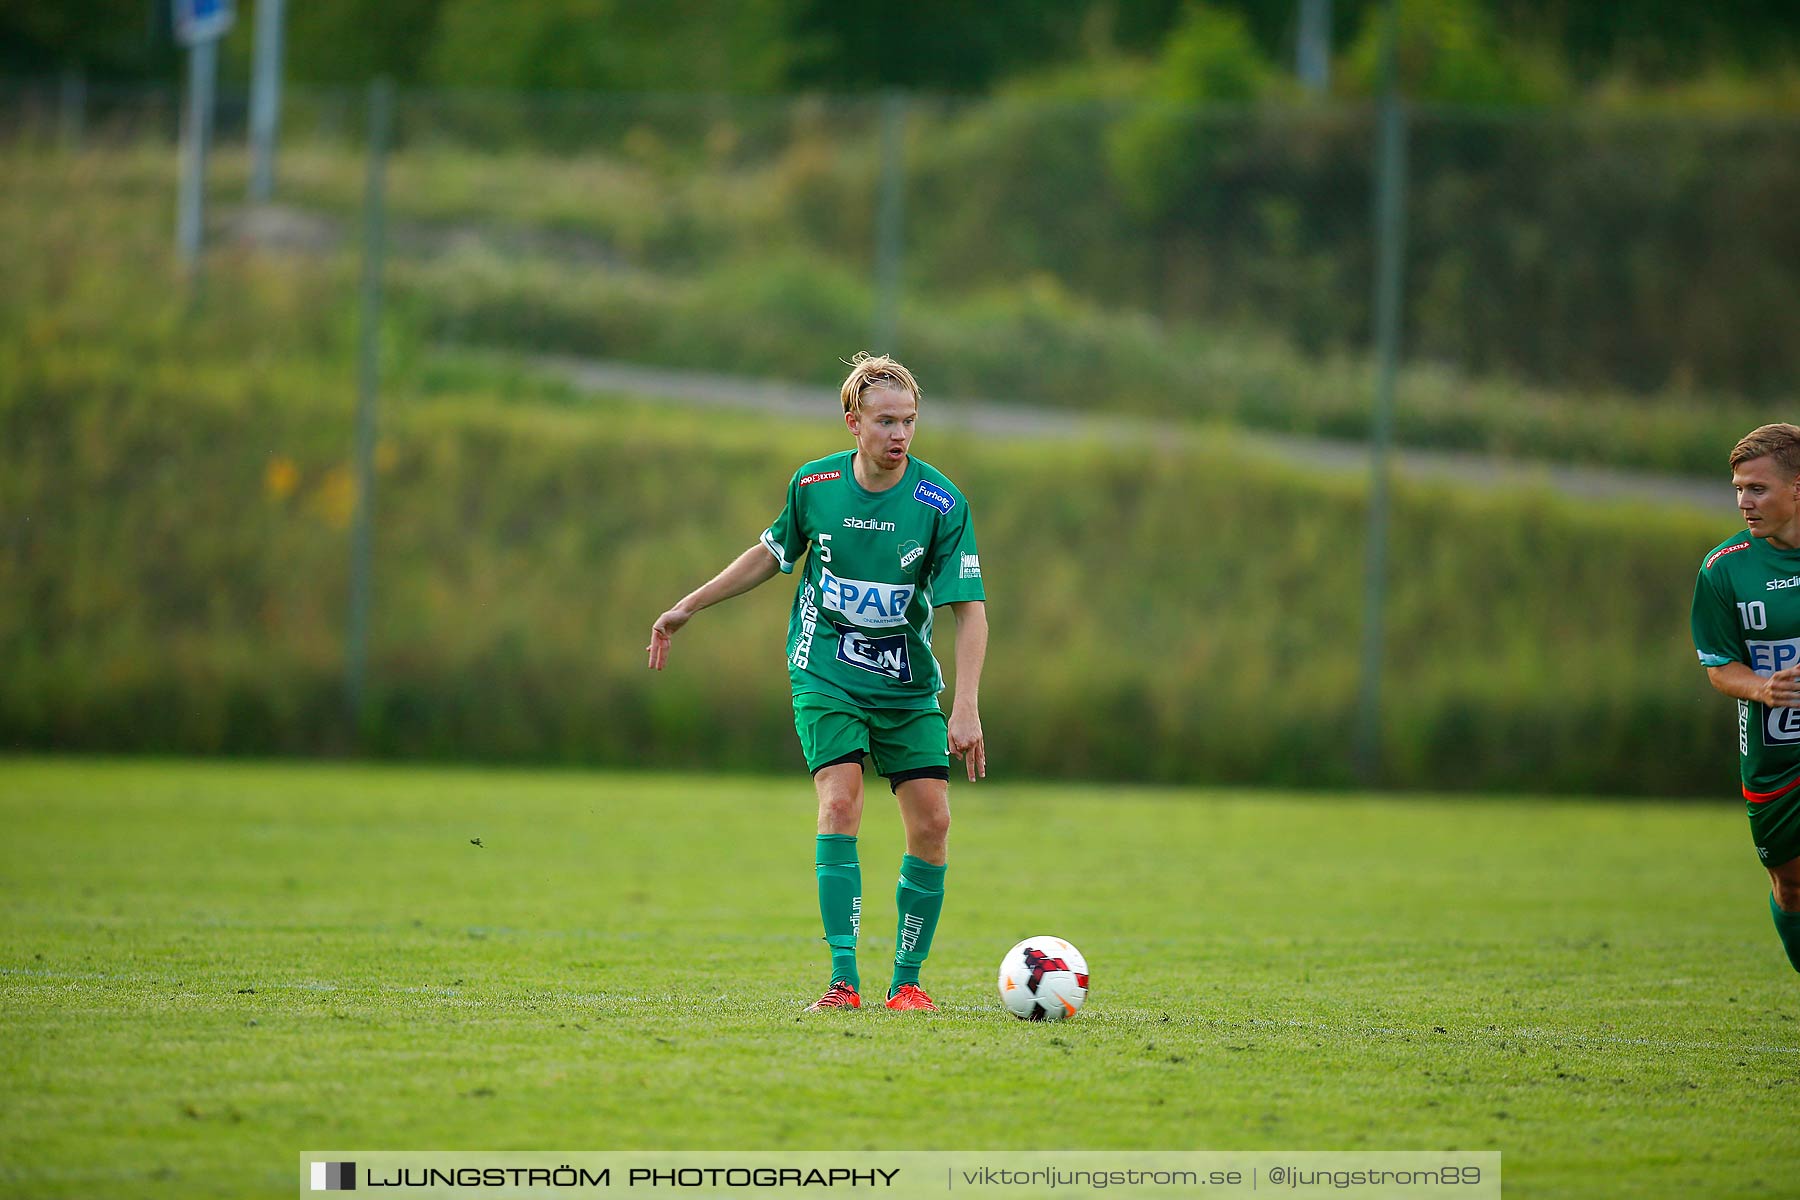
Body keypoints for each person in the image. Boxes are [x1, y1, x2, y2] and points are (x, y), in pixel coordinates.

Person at [647, 353, 988, 1012]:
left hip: (907, 683)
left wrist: (966, 706)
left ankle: (908, 983)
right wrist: (689, 604)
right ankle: (842, 981)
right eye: (886, 420)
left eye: (910, 421)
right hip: (824, 668)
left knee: (934, 823)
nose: (899, 435)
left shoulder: (940, 503)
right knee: (840, 803)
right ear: (853, 420)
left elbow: (969, 609)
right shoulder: (815, 485)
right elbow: (768, 555)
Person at [1692, 423, 1800, 976]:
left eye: (1757, 488)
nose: (1743, 502)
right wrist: (1763, 688)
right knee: (1790, 883)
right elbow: (1718, 664)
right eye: (1738, 489)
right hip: (1774, 754)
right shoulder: (1724, 568)